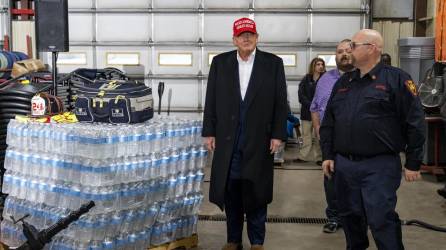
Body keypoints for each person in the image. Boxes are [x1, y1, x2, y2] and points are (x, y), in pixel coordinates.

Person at [320, 29, 426, 250]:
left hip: (379, 165)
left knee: (380, 219)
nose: (349, 50)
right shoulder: (344, 82)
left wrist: (413, 162)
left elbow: (415, 122)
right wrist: (328, 155)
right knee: (350, 219)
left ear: (373, 48)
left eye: (354, 45)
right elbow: (329, 121)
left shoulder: (397, 79)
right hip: (345, 165)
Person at [202, 17, 288, 250]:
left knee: (256, 192)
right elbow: (211, 99)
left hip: (259, 139)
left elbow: (281, 102)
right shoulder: (220, 63)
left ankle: (257, 242)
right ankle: (233, 239)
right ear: (234, 39)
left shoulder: (273, 63)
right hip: (228, 139)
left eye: (250, 34)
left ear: (257, 37)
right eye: (242, 35)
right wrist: (209, 131)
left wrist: (278, 134)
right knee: (231, 192)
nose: (246, 38)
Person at [310, 39, 355, 233]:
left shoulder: (364, 77)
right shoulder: (326, 79)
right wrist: (318, 130)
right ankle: (335, 217)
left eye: (347, 50)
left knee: (357, 181)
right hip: (331, 140)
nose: (344, 54)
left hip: (357, 139)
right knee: (331, 180)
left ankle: (357, 218)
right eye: (339, 52)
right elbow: (314, 107)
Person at [294, 57, 325, 165]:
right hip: (307, 112)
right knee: (306, 135)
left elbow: (327, 95)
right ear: (313, 66)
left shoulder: (325, 79)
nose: (320, 66)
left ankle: (319, 158)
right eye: (318, 64)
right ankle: (303, 156)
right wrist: (311, 105)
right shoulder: (306, 79)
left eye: (322, 64)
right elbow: (301, 95)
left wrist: (318, 106)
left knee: (319, 136)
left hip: (320, 113)